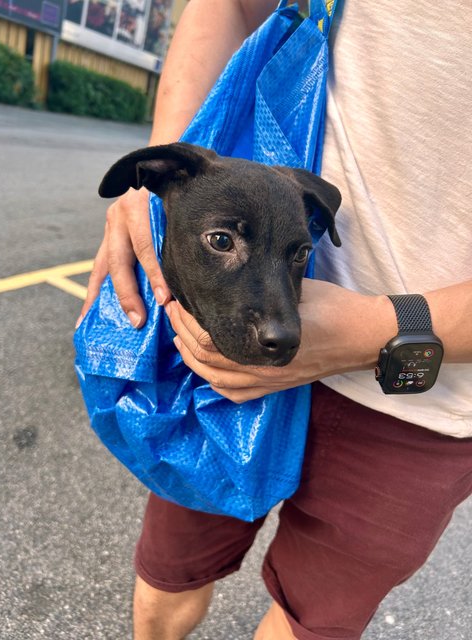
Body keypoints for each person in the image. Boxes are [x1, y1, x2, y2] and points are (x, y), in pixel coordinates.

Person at [76, 1, 472, 638]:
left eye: (300, 252)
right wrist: (161, 183)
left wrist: (378, 328)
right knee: (169, 577)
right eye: (221, 241)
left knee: (303, 622)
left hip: (423, 395)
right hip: (222, 373)